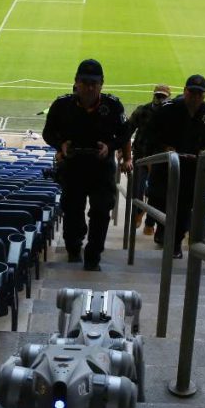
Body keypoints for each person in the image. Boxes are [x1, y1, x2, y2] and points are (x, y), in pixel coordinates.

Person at [42, 58, 129, 271]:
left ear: (102, 84)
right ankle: (73, 249)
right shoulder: (61, 105)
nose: (90, 88)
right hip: (73, 167)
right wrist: (61, 145)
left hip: (101, 169)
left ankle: (93, 257)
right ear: (76, 82)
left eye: (94, 83)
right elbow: (48, 133)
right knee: (72, 211)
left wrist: (110, 147)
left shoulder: (113, 106)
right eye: (85, 82)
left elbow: (124, 134)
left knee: (101, 211)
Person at [145, 74, 205, 258]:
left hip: (192, 169)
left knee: (184, 207)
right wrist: (165, 147)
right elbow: (150, 133)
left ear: (204, 94)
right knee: (160, 200)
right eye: (192, 92)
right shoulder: (167, 109)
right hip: (167, 166)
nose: (195, 97)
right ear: (185, 91)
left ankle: (176, 244)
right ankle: (162, 229)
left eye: (199, 94)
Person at [125, 84, 171, 234]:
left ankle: (150, 223)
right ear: (153, 95)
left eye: (163, 96)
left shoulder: (171, 115)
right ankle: (138, 213)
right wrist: (123, 151)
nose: (160, 99)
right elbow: (128, 129)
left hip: (160, 159)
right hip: (141, 155)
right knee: (137, 188)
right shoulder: (142, 110)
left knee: (156, 192)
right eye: (158, 95)